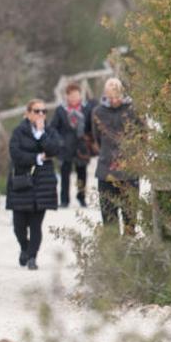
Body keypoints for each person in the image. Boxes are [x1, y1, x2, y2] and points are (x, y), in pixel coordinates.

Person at [6, 99, 61, 270]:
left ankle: (32, 257)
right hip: (22, 183)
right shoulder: (19, 132)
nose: (41, 115)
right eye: (37, 111)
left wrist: (41, 134)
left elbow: (54, 149)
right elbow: (15, 154)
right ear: (28, 113)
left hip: (42, 184)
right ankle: (25, 247)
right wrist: (36, 158)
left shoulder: (49, 131)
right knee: (19, 226)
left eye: (44, 111)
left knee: (36, 224)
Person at [92, 78, 142, 235]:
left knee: (130, 217)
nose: (114, 100)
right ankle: (114, 256)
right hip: (106, 171)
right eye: (110, 97)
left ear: (122, 93)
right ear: (105, 95)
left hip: (129, 170)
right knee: (109, 219)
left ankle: (129, 252)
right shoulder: (98, 112)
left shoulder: (133, 110)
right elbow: (96, 137)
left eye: (117, 96)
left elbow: (142, 135)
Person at [50, 82, 95, 208]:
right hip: (65, 147)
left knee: (82, 173)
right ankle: (64, 200)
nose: (75, 98)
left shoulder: (87, 109)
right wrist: (60, 141)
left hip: (82, 146)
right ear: (67, 96)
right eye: (72, 96)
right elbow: (53, 127)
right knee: (65, 173)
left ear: (80, 95)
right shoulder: (60, 110)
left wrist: (89, 139)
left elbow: (91, 127)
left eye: (77, 95)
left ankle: (81, 198)